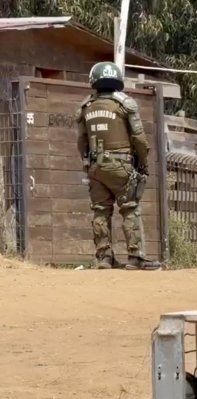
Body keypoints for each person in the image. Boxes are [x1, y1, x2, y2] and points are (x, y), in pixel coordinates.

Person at [76, 61, 160, 270]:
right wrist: (143, 163)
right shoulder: (125, 103)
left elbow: (81, 141)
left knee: (100, 211)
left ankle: (104, 258)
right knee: (130, 208)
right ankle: (135, 257)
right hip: (121, 165)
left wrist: (87, 163)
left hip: (96, 167)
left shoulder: (86, 107)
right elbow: (139, 138)